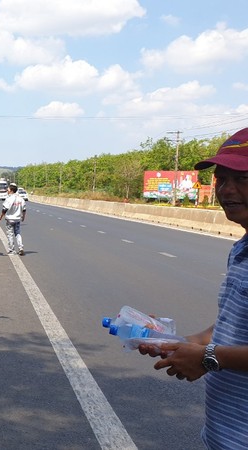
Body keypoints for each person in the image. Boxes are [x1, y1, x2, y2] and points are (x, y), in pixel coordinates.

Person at [138, 127, 248, 449]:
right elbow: (232, 325)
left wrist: (209, 358)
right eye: (222, 178)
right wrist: (178, 342)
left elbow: (216, 352)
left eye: (242, 178)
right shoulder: (241, 249)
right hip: (224, 435)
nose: (227, 189)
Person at [0, 183, 26, 255]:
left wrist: (0, 216)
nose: (7, 190)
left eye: (8, 189)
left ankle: (11, 250)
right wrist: (23, 217)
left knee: (10, 234)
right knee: (18, 233)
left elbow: (5, 209)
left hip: (10, 219)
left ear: (11, 190)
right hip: (17, 219)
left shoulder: (9, 199)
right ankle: (20, 247)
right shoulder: (21, 199)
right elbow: (24, 209)